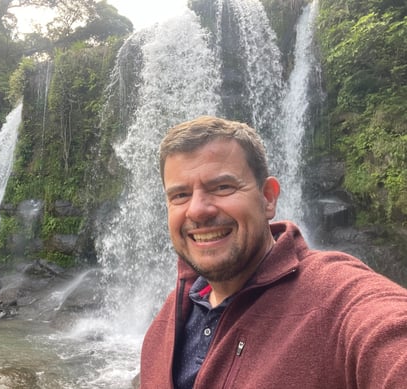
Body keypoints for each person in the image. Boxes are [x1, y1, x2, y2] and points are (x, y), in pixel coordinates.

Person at [139, 116, 407, 388]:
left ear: (268, 197)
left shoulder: (336, 297)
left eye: (222, 187)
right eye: (180, 195)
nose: (197, 210)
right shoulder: (169, 318)